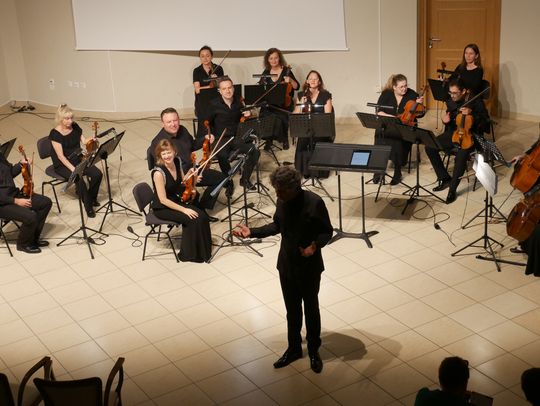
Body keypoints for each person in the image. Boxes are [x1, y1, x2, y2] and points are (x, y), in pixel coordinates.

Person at [233, 166, 333, 373]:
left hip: (309, 266)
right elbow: (277, 226)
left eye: (281, 191)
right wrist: (252, 232)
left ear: (294, 187)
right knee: (292, 310)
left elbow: (326, 232)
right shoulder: (282, 201)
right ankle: (294, 348)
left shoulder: (314, 202)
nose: (277, 194)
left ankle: (313, 349)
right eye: (276, 190)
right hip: (287, 264)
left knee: (311, 309)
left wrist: (314, 246)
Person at [150, 107, 226, 221]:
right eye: (169, 122)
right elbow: (162, 170)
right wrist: (188, 179)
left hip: (192, 169)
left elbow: (193, 145)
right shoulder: (158, 142)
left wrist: (205, 139)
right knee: (193, 194)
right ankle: (200, 212)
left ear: (179, 119)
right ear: (163, 123)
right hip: (178, 178)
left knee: (220, 178)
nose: (173, 124)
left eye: (175, 120)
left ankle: (203, 207)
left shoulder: (182, 130)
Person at [425, 79, 490, 204]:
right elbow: (451, 118)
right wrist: (446, 120)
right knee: (430, 146)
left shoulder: (476, 101)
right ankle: (445, 178)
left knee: (461, 156)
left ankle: (452, 189)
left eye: (455, 93)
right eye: (450, 93)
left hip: (471, 135)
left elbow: (486, 123)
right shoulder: (451, 101)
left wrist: (473, 115)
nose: (452, 96)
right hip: (455, 133)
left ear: (464, 91)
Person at [151, 139, 212, 263]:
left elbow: (183, 182)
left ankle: (204, 251)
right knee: (192, 218)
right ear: (160, 155)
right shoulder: (158, 173)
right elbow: (163, 200)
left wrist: (192, 177)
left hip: (175, 200)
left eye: (169, 152)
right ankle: (189, 255)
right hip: (163, 208)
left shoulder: (177, 161)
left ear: (174, 151)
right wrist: (184, 210)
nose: (167, 156)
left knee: (203, 216)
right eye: (163, 154)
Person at [206, 77, 260, 190]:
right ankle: (227, 180)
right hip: (221, 138)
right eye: (224, 88)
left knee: (255, 151)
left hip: (237, 137)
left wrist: (249, 113)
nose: (227, 91)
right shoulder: (213, 104)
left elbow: (247, 114)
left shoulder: (238, 102)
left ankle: (245, 179)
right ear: (219, 91)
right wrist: (209, 134)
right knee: (222, 155)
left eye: (229, 87)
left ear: (233, 88)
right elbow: (206, 122)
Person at [49, 104, 103, 217]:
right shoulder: (55, 134)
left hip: (78, 158)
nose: (70, 121)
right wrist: (74, 169)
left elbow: (84, 141)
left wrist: (92, 139)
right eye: (67, 118)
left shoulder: (74, 126)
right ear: (60, 119)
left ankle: (92, 198)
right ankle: (88, 207)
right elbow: (61, 157)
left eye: (71, 118)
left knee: (97, 174)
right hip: (63, 164)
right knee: (79, 179)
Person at [374, 74, 424, 185]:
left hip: (406, 125)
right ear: (394, 87)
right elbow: (379, 111)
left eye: (405, 86)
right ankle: (378, 169)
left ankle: (398, 172)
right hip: (390, 123)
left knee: (397, 137)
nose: (404, 89)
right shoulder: (386, 94)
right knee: (379, 133)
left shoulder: (412, 94)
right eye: (401, 87)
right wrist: (394, 118)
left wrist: (419, 106)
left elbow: (421, 114)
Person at [0, 150, 52, 253]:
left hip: (13, 194)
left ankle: (33, 239)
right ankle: (23, 244)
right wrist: (15, 201)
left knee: (45, 203)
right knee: (30, 216)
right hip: (3, 203)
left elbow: (9, 173)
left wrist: (21, 164)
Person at [293, 70, 333, 179]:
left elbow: (328, 116)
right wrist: (300, 104)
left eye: (315, 79)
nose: (313, 81)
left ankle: (319, 172)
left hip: (321, 128)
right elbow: (295, 115)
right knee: (303, 139)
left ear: (319, 81)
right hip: (306, 128)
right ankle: (306, 171)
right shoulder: (301, 95)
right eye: (310, 78)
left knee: (318, 140)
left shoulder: (325, 95)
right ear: (307, 81)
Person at [258, 48, 299, 150]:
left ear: (279, 58)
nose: (273, 60)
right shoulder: (266, 71)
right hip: (270, 104)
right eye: (271, 58)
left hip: (284, 104)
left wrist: (290, 80)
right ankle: (269, 139)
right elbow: (260, 87)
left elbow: (297, 86)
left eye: (276, 58)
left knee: (282, 117)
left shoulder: (286, 71)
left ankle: (284, 139)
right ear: (267, 60)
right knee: (264, 114)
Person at [193, 45, 225, 135]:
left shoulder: (218, 69)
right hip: (202, 103)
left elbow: (222, 86)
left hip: (216, 100)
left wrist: (217, 80)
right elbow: (197, 90)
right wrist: (210, 85)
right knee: (205, 126)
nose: (205, 58)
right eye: (202, 56)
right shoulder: (197, 71)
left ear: (211, 56)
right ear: (200, 58)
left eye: (207, 55)